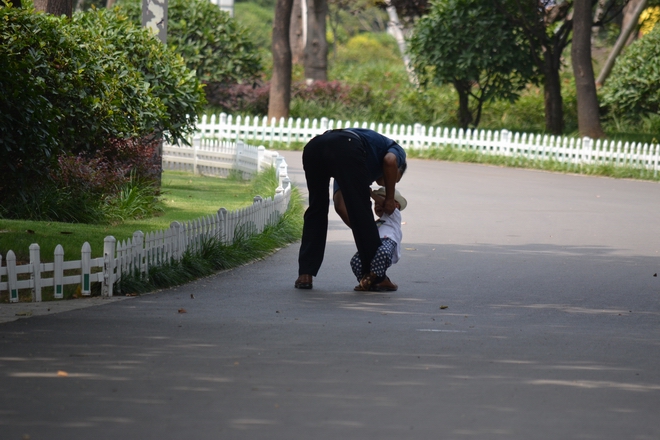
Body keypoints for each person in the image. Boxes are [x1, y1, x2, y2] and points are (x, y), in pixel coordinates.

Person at [294, 128, 407, 290]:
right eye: (396, 178)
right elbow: (390, 161)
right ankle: (378, 278)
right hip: (346, 144)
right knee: (362, 210)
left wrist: (364, 230)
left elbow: (340, 205)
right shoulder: (395, 149)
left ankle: (305, 274)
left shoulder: (359, 164)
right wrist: (389, 198)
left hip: (315, 147)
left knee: (316, 209)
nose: (391, 182)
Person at [351, 186, 407, 292]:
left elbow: (387, 205)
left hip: (388, 241)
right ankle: (369, 281)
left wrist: (372, 194)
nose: (377, 205)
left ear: (396, 205)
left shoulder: (395, 215)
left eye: (380, 201)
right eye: (375, 203)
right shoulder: (377, 222)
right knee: (356, 261)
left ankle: (372, 278)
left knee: (383, 252)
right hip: (374, 244)